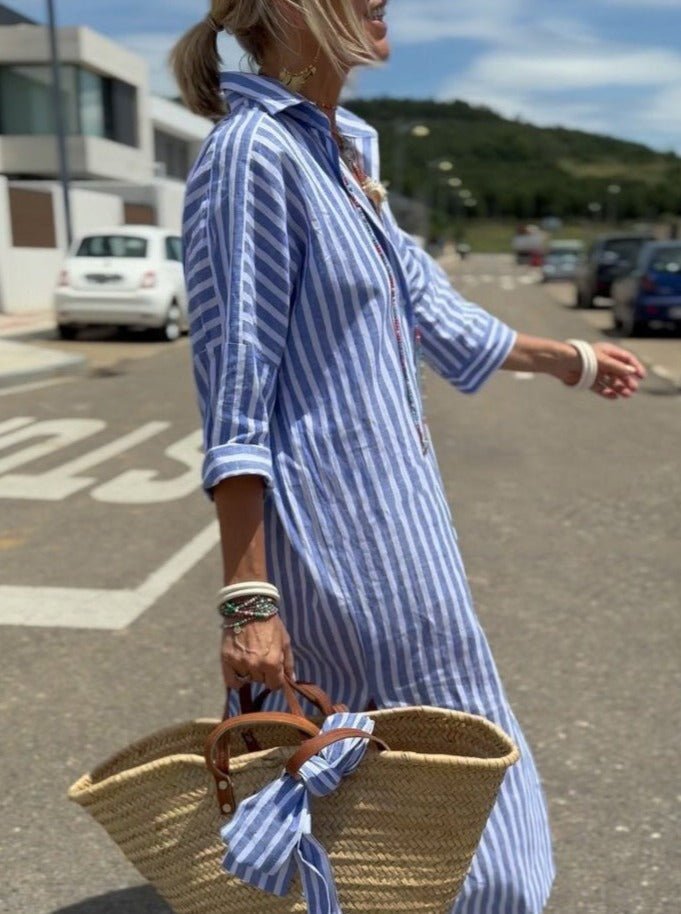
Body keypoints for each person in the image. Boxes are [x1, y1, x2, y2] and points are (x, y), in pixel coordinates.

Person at [171, 3, 646, 912]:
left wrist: (569, 358)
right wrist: (248, 598)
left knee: (399, 782)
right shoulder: (254, 156)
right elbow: (236, 391)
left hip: (399, 528)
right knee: (432, 770)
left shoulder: (341, 152)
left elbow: (426, 304)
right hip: (339, 543)